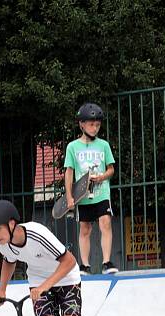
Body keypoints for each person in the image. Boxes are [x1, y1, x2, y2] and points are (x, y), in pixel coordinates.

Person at [64, 103, 118, 275]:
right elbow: (69, 172)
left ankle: (107, 262)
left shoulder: (104, 145)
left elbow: (111, 169)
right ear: (81, 124)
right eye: (91, 124)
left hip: (102, 193)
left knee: (106, 223)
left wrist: (102, 177)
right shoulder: (73, 147)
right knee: (85, 228)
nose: (95, 128)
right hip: (83, 195)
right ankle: (85, 265)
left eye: (98, 125)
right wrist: (69, 197)